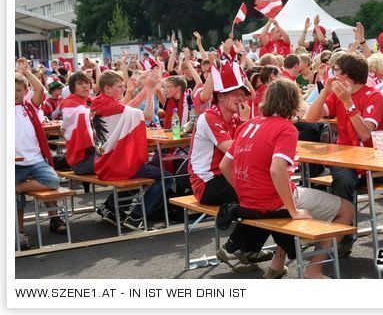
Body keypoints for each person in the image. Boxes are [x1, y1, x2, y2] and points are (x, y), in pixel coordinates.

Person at [220, 79, 354, 279]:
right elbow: (277, 169)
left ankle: (277, 264)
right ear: (293, 102)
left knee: (292, 197)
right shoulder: (286, 128)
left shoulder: (248, 125)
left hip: (247, 202)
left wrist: (246, 192)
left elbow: (224, 165)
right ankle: (314, 270)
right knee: (347, 209)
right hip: (271, 203)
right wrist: (293, 210)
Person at [304, 53, 383, 251]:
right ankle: (342, 239)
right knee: (343, 181)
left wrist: (348, 103)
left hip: (375, 162)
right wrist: (324, 92)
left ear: (347, 76)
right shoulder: (336, 95)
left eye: (335, 71)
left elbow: (364, 134)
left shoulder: (374, 96)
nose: (332, 75)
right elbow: (309, 119)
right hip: (347, 161)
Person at [188, 60, 272, 272]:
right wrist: (246, 123)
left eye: (242, 93)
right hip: (207, 183)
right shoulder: (209, 118)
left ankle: (248, 248)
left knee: (271, 194)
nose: (241, 98)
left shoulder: (234, 118)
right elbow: (238, 152)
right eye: (235, 93)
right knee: (262, 196)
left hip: (228, 175)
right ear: (221, 96)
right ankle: (233, 248)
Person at [91, 70, 172, 230]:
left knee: (147, 172)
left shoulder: (99, 102)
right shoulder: (112, 105)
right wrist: (149, 89)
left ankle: (111, 207)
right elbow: (148, 115)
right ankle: (137, 216)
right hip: (116, 164)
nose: (122, 89)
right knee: (165, 177)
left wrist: (139, 91)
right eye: (119, 87)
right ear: (107, 89)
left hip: (104, 162)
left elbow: (126, 108)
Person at [15, 58, 66, 249]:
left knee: (52, 181)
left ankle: (54, 218)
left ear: (25, 91)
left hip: (35, 159)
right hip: (14, 163)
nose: (14, 93)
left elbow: (41, 90)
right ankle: (18, 233)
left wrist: (26, 71)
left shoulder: (30, 106)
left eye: (18, 90)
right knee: (13, 200)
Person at [60, 71, 96, 175]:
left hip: (94, 153)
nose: (85, 86)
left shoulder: (90, 102)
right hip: (81, 161)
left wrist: (129, 91)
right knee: (123, 163)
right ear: (72, 87)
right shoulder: (69, 104)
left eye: (87, 83)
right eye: (80, 83)